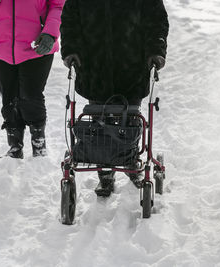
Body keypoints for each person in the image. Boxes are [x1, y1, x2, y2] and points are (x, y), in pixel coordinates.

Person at [60, 0, 169, 196]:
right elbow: (70, 20)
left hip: (132, 63)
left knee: (130, 118)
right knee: (100, 120)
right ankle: (106, 173)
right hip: (95, 65)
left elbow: (156, 20)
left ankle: (131, 160)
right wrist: (71, 50)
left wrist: (156, 51)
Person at [0, 0, 64, 158]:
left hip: (37, 46)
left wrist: (50, 33)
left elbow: (58, 5)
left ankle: (39, 145)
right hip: (1, 47)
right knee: (8, 98)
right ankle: (15, 146)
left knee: (31, 96)